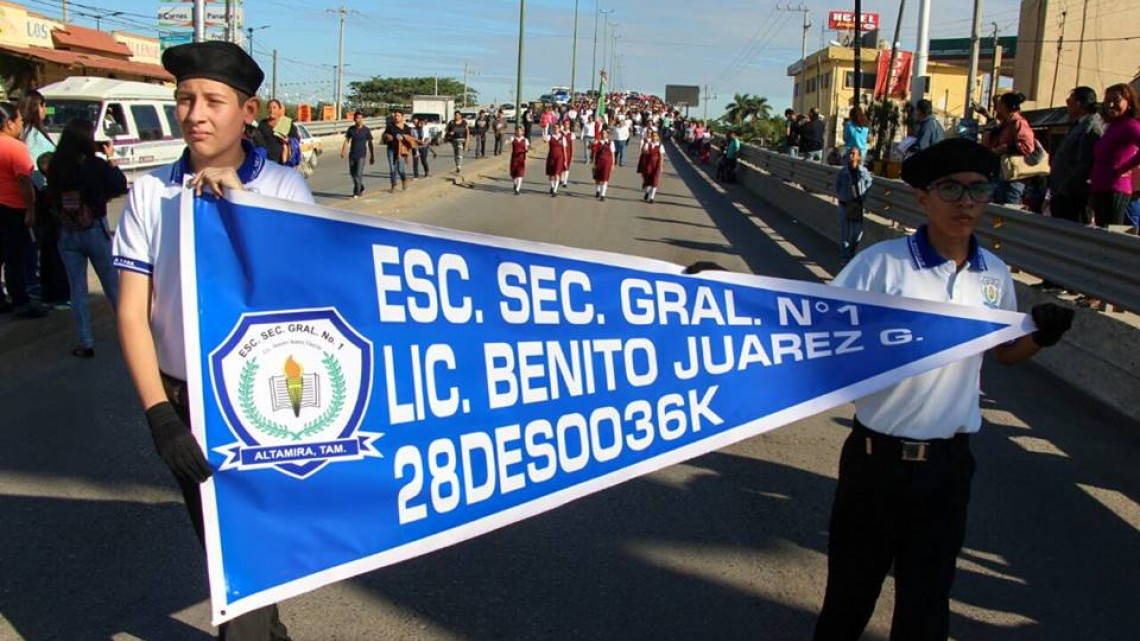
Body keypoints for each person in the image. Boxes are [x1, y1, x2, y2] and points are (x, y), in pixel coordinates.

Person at [814, 138, 1074, 641]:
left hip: (948, 469)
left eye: (978, 190)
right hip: (875, 464)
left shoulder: (993, 276)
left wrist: (1041, 337)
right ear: (922, 198)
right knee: (848, 599)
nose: (966, 202)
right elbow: (808, 326)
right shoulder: (881, 266)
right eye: (950, 189)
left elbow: (1003, 352)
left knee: (927, 604)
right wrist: (728, 300)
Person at [113, 40, 313, 640]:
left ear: (248, 111)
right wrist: (159, 416)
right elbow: (130, 312)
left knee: (244, 566)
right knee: (229, 560)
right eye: (184, 99)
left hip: (266, 406)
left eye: (213, 100)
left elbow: (304, 302)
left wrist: (244, 208)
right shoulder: (150, 192)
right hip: (184, 405)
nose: (195, 113)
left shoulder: (282, 189)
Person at [45, 118, 127, 357]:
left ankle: (85, 341)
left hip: (67, 232)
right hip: (94, 229)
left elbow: (51, 194)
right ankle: (128, 334)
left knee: (77, 289)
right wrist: (111, 158)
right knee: (113, 286)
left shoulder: (57, 166)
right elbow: (119, 186)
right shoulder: (95, 165)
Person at [20, 89, 69, 310]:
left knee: (48, 250)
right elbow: (34, 170)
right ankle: (57, 294)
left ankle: (51, 293)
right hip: (45, 198)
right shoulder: (32, 137)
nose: (44, 110)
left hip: (44, 196)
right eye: (41, 105)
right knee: (53, 249)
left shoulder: (34, 134)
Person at [0, 101, 46, 318]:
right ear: (8, 123)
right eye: (18, 119)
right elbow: (23, 181)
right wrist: (30, 209)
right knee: (15, 258)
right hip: (13, 208)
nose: (20, 124)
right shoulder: (15, 147)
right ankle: (21, 302)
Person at [1048, 87, 1103, 224]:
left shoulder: (1091, 126)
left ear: (1079, 103)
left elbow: (1085, 163)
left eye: (1069, 101)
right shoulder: (1079, 124)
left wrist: (1066, 186)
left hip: (1073, 194)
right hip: (1062, 190)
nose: (1067, 105)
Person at [1089, 83, 1140, 228]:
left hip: (1116, 189)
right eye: (1107, 100)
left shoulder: (1130, 125)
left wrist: (1124, 168)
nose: (1110, 105)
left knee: (1112, 234)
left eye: (1116, 100)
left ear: (1129, 102)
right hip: (1100, 188)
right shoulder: (1112, 126)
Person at [984, 92, 1035, 205]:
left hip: (1012, 178)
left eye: (999, 104)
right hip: (999, 174)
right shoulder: (1005, 124)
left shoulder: (1019, 123)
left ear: (1004, 106)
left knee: (1009, 212)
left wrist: (1005, 148)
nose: (997, 107)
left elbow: (1027, 146)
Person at [834, 147, 872, 264]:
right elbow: (837, 185)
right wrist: (842, 196)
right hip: (844, 205)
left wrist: (863, 198)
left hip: (856, 205)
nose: (851, 155)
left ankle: (850, 252)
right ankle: (845, 258)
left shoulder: (863, 172)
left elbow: (869, 184)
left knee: (857, 233)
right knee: (845, 234)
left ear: (858, 157)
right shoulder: (843, 172)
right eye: (849, 153)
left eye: (853, 153)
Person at [340, 111, 374, 198]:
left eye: (361, 118)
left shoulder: (366, 130)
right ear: (354, 119)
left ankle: (357, 192)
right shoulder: (351, 129)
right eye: (357, 118)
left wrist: (372, 156)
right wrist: (344, 150)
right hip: (352, 154)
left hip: (362, 155)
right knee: (352, 173)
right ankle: (361, 187)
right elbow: (347, 140)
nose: (359, 120)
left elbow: (370, 143)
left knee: (358, 174)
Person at [257, 99, 300, 166]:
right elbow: (257, 141)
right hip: (267, 162)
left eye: (274, 107)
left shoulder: (286, 122)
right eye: (269, 108)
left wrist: (288, 140)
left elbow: (296, 139)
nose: (271, 110)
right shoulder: (263, 124)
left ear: (279, 110)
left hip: (284, 161)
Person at [381, 109, 415, 193]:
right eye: (395, 116)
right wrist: (387, 136)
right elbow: (384, 136)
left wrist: (403, 137)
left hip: (402, 151)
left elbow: (411, 141)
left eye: (398, 116)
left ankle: (404, 180)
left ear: (402, 117)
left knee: (401, 169)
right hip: (391, 149)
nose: (396, 117)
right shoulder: (390, 126)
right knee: (392, 168)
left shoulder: (407, 128)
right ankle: (393, 185)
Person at [637, 130, 664, 203]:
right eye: (653, 135)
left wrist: (661, 167)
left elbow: (661, 157)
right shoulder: (648, 144)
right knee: (648, 180)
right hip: (648, 164)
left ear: (658, 137)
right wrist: (644, 149)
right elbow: (643, 151)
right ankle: (647, 192)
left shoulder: (660, 146)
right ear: (651, 136)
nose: (654, 137)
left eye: (655, 136)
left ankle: (652, 198)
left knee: (655, 181)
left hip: (656, 164)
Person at [592, 127, 615, 201]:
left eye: (605, 133)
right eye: (602, 133)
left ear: (607, 134)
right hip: (598, 162)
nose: (603, 135)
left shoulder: (611, 142)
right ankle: (598, 190)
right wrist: (593, 144)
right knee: (597, 178)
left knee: (605, 179)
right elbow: (591, 149)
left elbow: (612, 153)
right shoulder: (597, 142)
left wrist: (613, 164)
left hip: (607, 162)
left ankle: (603, 195)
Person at [545, 125, 568, 197]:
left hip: (559, 157)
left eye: (557, 128)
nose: (556, 129)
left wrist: (565, 160)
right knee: (551, 174)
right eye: (554, 128)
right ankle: (552, 186)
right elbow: (545, 140)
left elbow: (564, 150)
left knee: (557, 173)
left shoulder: (562, 138)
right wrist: (544, 137)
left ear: (559, 129)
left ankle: (555, 190)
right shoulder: (550, 137)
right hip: (551, 156)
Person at [509, 125, 529, 195]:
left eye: (520, 131)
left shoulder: (525, 140)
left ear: (522, 132)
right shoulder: (513, 138)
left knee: (520, 174)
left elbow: (527, 148)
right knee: (513, 173)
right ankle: (515, 183)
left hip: (521, 159)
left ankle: (517, 189)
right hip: (514, 158)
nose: (518, 132)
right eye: (517, 131)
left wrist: (526, 150)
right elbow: (508, 142)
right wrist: (508, 142)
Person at [559, 120, 574, 188]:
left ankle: (565, 182)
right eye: (565, 124)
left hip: (568, 152)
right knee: (561, 166)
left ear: (569, 125)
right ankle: (561, 179)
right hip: (560, 151)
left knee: (567, 167)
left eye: (568, 124)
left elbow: (572, 145)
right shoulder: (560, 133)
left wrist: (572, 155)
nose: (566, 125)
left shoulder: (571, 134)